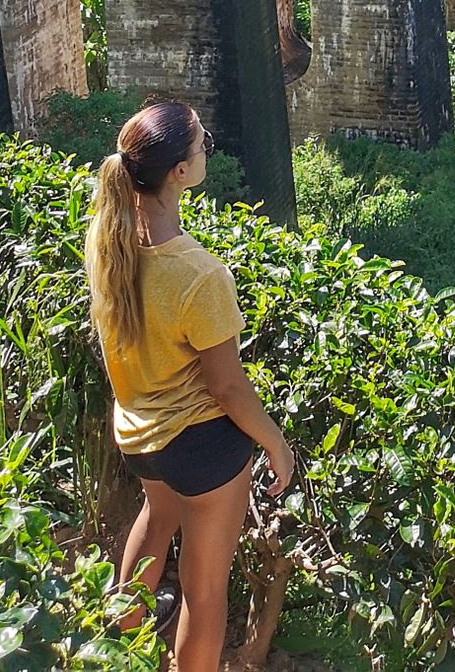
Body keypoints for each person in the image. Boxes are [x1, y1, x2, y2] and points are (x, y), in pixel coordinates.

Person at [84, 101, 294, 672]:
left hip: (138, 436)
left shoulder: (107, 243)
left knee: (157, 518)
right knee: (205, 596)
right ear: (180, 172)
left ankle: (115, 647)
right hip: (200, 447)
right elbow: (226, 387)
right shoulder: (200, 275)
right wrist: (275, 442)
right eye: (202, 144)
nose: (208, 147)